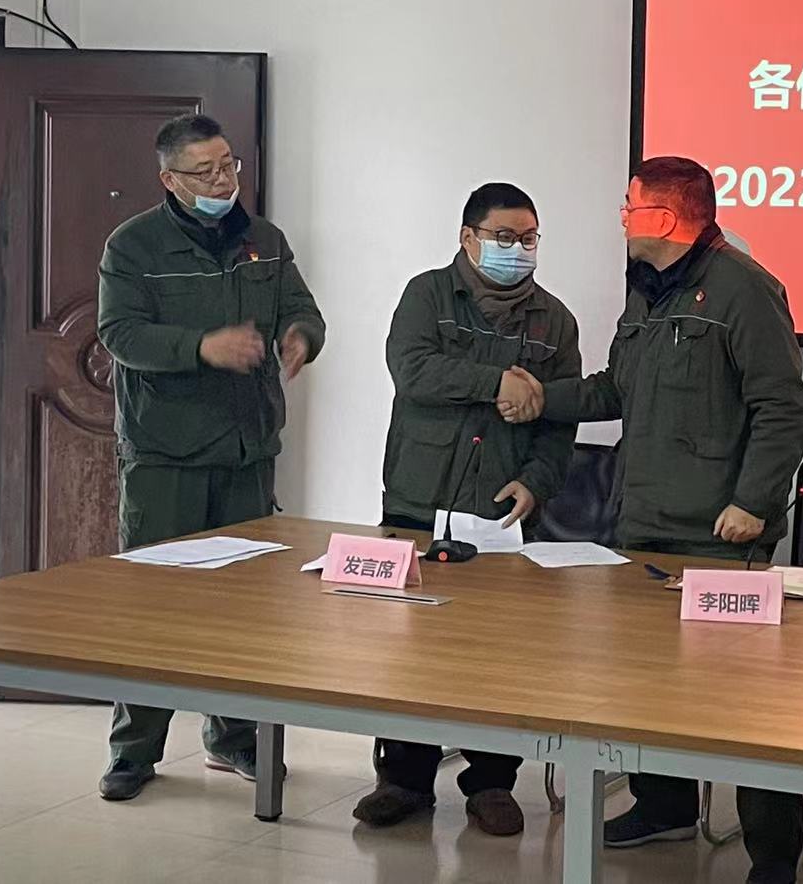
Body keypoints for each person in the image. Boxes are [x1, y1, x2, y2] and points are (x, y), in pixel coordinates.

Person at [505, 156, 803, 884]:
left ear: (667, 217)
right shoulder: (646, 290)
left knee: (743, 707)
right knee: (650, 690)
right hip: (644, 521)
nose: (621, 218)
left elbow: (783, 406)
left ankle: (774, 855)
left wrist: (755, 502)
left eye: (631, 206)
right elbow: (619, 388)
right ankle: (664, 806)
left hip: (720, 533)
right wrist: (544, 397)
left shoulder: (744, 289)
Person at [94, 114, 325, 803]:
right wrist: (201, 347)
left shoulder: (265, 241)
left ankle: (234, 738)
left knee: (244, 609)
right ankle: (134, 750)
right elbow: (119, 333)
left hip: (247, 450)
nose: (224, 180)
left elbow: (303, 308)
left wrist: (301, 338)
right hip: (166, 455)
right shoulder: (133, 245)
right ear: (170, 179)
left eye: (229, 165)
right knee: (155, 606)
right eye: (205, 171)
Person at [351, 182, 580, 837]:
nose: (519, 249)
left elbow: (559, 419)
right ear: (468, 238)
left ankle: (491, 783)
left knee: (499, 653)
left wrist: (538, 482)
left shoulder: (555, 320)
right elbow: (413, 370)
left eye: (529, 238)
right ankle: (403, 779)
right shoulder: (427, 295)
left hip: (500, 507)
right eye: (505, 237)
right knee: (408, 648)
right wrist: (494, 381)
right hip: (419, 498)